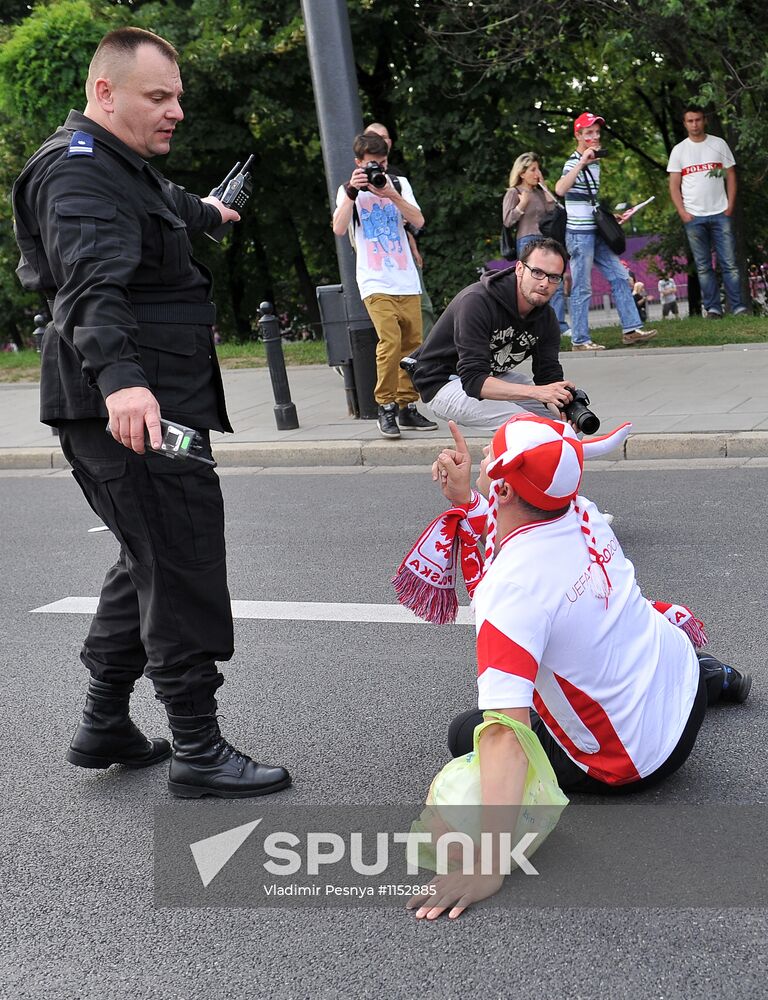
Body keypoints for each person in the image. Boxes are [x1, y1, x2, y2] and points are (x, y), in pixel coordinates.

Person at [12, 27, 291, 798]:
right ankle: (198, 749)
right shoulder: (77, 177)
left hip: (148, 399)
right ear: (105, 92)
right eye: (157, 97)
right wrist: (122, 381)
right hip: (130, 404)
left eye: (177, 97)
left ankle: (104, 721)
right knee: (178, 554)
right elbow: (88, 285)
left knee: (147, 555)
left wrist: (209, 214)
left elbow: (169, 207)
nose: (175, 111)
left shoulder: (121, 169)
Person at [406, 416, 752, 919]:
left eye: (489, 455)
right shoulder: (581, 512)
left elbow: (506, 733)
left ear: (501, 488)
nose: (482, 457)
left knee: (469, 733)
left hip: (637, 759)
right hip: (684, 679)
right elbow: (516, 530)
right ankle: (715, 675)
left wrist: (489, 863)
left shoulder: (512, 590)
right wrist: (466, 499)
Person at [332, 130, 437, 438]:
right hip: (374, 280)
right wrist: (353, 192)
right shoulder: (348, 190)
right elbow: (339, 228)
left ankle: (407, 407)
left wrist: (391, 193)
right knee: (389, 342)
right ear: (358, 163)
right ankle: (385, 406)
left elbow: (418, 220)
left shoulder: (399, 185)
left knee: (412, 346)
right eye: (371, 165)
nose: (378, 170)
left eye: (382, 163)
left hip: (405, 279)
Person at [408, 238, 576, 431]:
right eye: (537, 272)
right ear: (520, 269)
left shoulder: (546, 318)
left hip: (488, 377)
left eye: (554, 277)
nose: (544, 283)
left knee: (567, 428)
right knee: (529, 427)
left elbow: (548, 377)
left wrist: (568, 406)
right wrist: (536, 393)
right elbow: (473, 381)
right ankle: (506, 457)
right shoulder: (477, 302)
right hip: (442, 383)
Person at [555, 112, 657, 351]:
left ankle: (631, 330)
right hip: (579, 235)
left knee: (621, 276)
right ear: (578, 135)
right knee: (582, 286)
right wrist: (581, 162)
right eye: (589, 132)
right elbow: (560, 188)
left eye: (597, 132)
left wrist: (609, 218)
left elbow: (588, 199)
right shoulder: (573, 162)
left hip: (595, 231)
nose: (595, 136)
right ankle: (579, 340)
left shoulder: (596, 163)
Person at [667, 105, 747, 319]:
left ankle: (738, 307)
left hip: (721, 212)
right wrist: (682, 212)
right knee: (703, 267)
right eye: (690, 121)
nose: (695, 124)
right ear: (685, 124)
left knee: (729, 263)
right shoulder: (679, 150)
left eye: (698, 120)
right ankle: (713, 309)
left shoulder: (718, 144)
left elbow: (730, 175)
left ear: (704, 121)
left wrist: (730, 205)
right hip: (693, 215)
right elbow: (674, 185)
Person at [364, 121, 437, 339]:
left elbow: (411, 221)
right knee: (389, 327)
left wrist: (413, 248)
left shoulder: (395, 179)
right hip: (376, 260)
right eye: (374, 137)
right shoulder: (355, 184)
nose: (381, 142)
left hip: (401, 254)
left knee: (421, 308)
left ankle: (429, 360)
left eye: (384, 137)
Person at [502, 151, 570, 337]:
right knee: (529, 286)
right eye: (532, 169)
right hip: (527, 241)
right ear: (522, 173)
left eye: (538, 169)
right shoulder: (513, 193)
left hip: (547, 242)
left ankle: (558, 326)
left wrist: (548, 193)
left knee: (553, 282)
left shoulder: (541, 192)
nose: (537, 173)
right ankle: (525, 327)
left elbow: (552, 216)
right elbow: (507, 221)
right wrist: (521, 205)